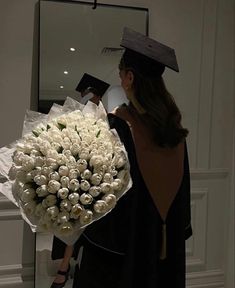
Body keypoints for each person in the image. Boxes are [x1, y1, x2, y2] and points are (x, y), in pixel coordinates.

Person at [72, 27, 192, 288]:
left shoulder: (117, 127)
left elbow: (101, 202)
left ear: (128, 78)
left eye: (120, 74)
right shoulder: (174, 131)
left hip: (122, 258)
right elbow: (181, 207)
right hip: (164, 253)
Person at [50, 74, 110, 288]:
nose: (85, 98)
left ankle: (65, 267)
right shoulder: (83, 114)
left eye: (89, 94)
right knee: (74, 222)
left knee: (82, 223)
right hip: (78, 173)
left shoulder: (106, 115)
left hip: (98, 177)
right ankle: (66, 265)